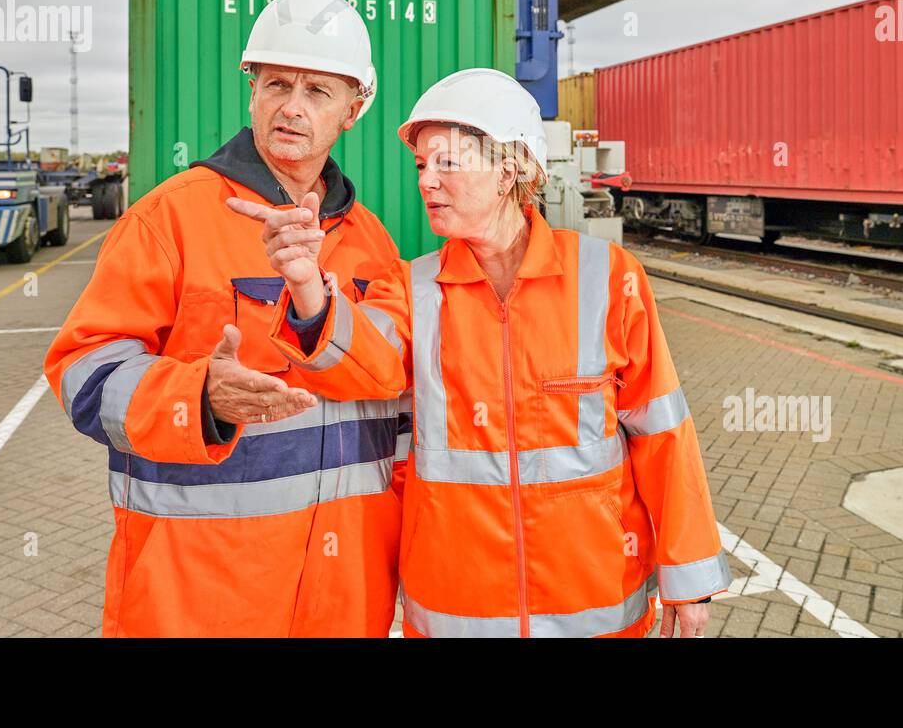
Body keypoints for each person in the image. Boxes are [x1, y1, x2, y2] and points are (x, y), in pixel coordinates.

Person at [254, 67, 731, 638]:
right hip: (460, 614)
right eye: (422, 166)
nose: (427, 181)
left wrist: (688, 572)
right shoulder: (412, 288)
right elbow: (360, 364)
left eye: (448, 163)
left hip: (596, 608)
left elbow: (663, 432)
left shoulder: (607, 278)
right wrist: (308, 286)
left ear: (512, 169)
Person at [42, 0, 409, 637]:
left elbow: (389, 380)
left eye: (317, 92)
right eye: (275, 84)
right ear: (251, 91)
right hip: (198, 600)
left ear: (354, 109)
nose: (291, 108)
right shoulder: (171, 217)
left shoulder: (372, 243)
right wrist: (198, 396)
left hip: (345, 602)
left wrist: (315, 303)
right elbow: (82, 373)